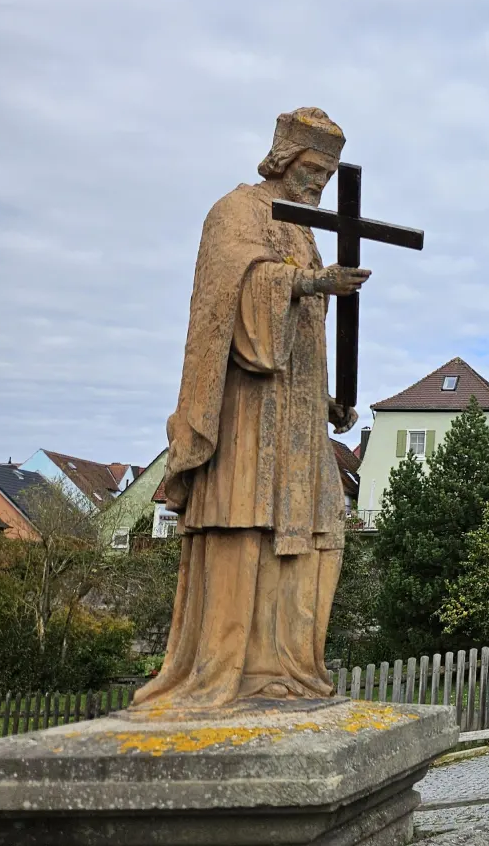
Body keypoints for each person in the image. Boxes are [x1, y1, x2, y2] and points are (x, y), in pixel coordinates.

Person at [131, 107, 370, 712]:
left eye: (329, 170)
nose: (319, 180)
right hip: (246, 413)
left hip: (297, 423)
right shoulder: (238, 210)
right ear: (284, 157)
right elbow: (232, 294)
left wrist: (327, 403)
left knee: (319, 533)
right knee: (244, 524)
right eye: (313, 166)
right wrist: (311, 285)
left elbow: (305, 335)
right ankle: (226, 670)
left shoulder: (307, 230)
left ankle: (288, 667)